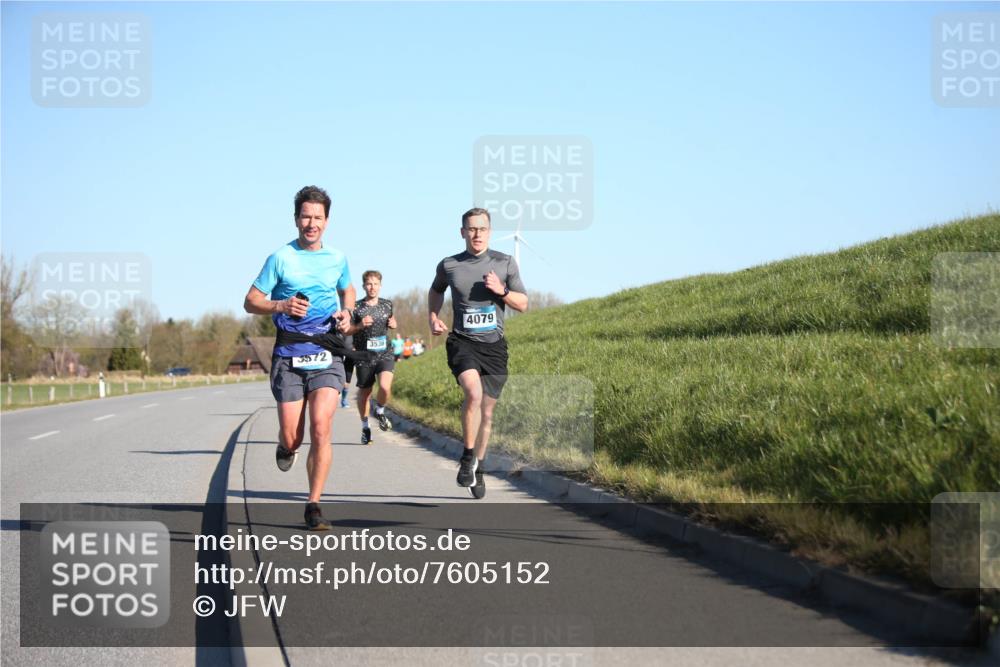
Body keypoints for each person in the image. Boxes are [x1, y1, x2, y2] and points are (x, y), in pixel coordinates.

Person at [243, 185, 354, 530]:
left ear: (327, 220)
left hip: (327, 352)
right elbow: (250, 301)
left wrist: (348, 311)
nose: (311, 223)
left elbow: (347, 288)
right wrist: (281, 304)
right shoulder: (280, 258)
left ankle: (314, 505)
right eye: (305, 216)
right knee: (294, 436)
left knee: (322, 427)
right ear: (296, 219)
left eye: (318, 217)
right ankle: (285, 446)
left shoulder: (337, 258)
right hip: (290, 355)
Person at [428, 207, 527, 499]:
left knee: (487, 412)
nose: (477, 234)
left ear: (490, 232)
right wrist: (433, 316)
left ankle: (478, 467)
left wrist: (501, 291)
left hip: (495, 347)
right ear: (462, 232)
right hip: (462, 341)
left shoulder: (505, 263)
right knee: (473, 394)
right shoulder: (449, 265)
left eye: (482, 229)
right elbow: (435, 291)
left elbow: (523, 303)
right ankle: (467, 457)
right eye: (471, 229)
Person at [346, 270, 398, 445]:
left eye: (376, 284)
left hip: (385, 353)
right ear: (363, 286)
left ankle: (380, 410)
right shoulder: (356, 307)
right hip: (364, 355)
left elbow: (392, 321)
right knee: (365, 393)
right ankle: (365, 426)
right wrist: (359, 325)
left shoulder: (387, 304)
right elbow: (348, 330)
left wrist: (393, 323)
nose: (372, 287)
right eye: (369, 284)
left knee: (385, 387)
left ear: (380, 286)